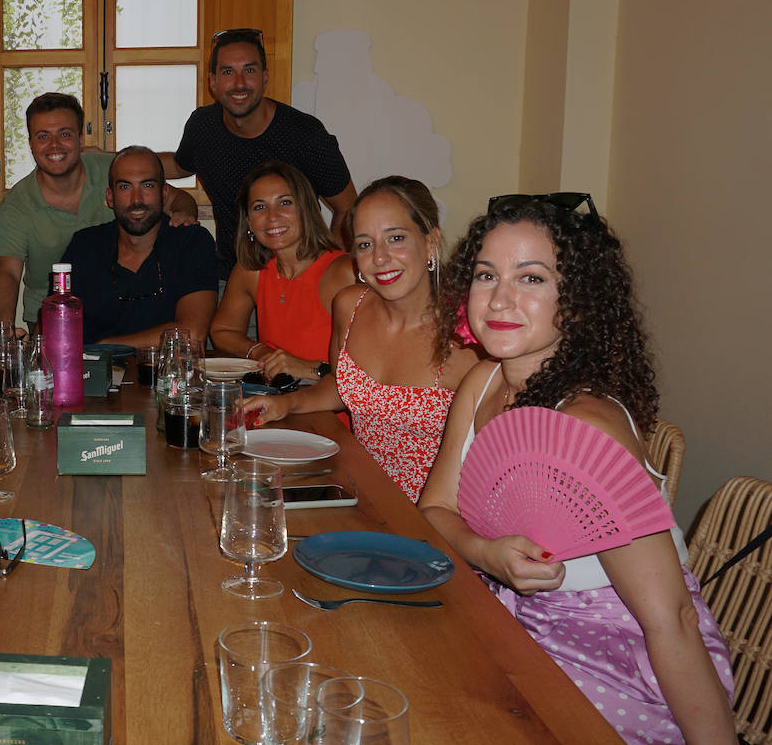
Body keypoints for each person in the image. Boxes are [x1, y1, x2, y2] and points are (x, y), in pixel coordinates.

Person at [418, 195, 735, 743]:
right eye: (486, 274)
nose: (500, 297)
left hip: (619, 662)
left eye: (532, 278)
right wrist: (486, 553)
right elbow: (434, 511)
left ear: (579, 301)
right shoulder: (483, 382)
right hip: (513, 631)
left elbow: (671, 621)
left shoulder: (587, 423)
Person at [241, 176, 479, 501]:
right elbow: (343, 387)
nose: (379, 258)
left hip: (432, 521)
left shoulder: (467, 337)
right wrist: (285, 404)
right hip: (358, 497)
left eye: (396, 238)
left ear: (431, 242)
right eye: (365, 244)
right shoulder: (350, 305)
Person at [160, 28, 357, 276]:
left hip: (297, 275)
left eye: (249, 70)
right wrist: (110, 158)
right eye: (228, 72)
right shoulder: (203, 127)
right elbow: (180, 166)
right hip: (233, 274)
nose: (239, 83)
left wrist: (333, 275)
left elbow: (348, 208)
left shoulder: (305, 134)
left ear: (265, 78)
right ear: (213, 82)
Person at [0, 93, 198, 329]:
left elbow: (176, 198)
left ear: (81, 138)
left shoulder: (111, 169)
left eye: (65, 134)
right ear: (30, 144)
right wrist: (4, 332)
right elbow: (7, 273)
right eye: (43, 136)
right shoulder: (16, 205)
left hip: (129, 306)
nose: (55, 145)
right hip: (54, 319)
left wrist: (184, 216)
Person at [209, 161, 356, 381]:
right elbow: (222, 331)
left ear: (307, 208)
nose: (272, 216)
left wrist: (308, 368)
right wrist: (260, 351)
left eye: (285, 203)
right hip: (279, 403)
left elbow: (371, 373)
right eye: (259, 207)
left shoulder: (344, 272)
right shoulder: (251, 271)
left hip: (331, 410)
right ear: (249, 222)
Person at [60, 146, 217, 346]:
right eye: (125, 187)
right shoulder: (84, 246)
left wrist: (107, 348)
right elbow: (57, 323)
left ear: (165, 193)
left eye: (148, 186)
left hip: (169, 374)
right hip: (94, 373)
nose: (137, 200)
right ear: (110, 198)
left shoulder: (192, 242)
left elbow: (192, 334)